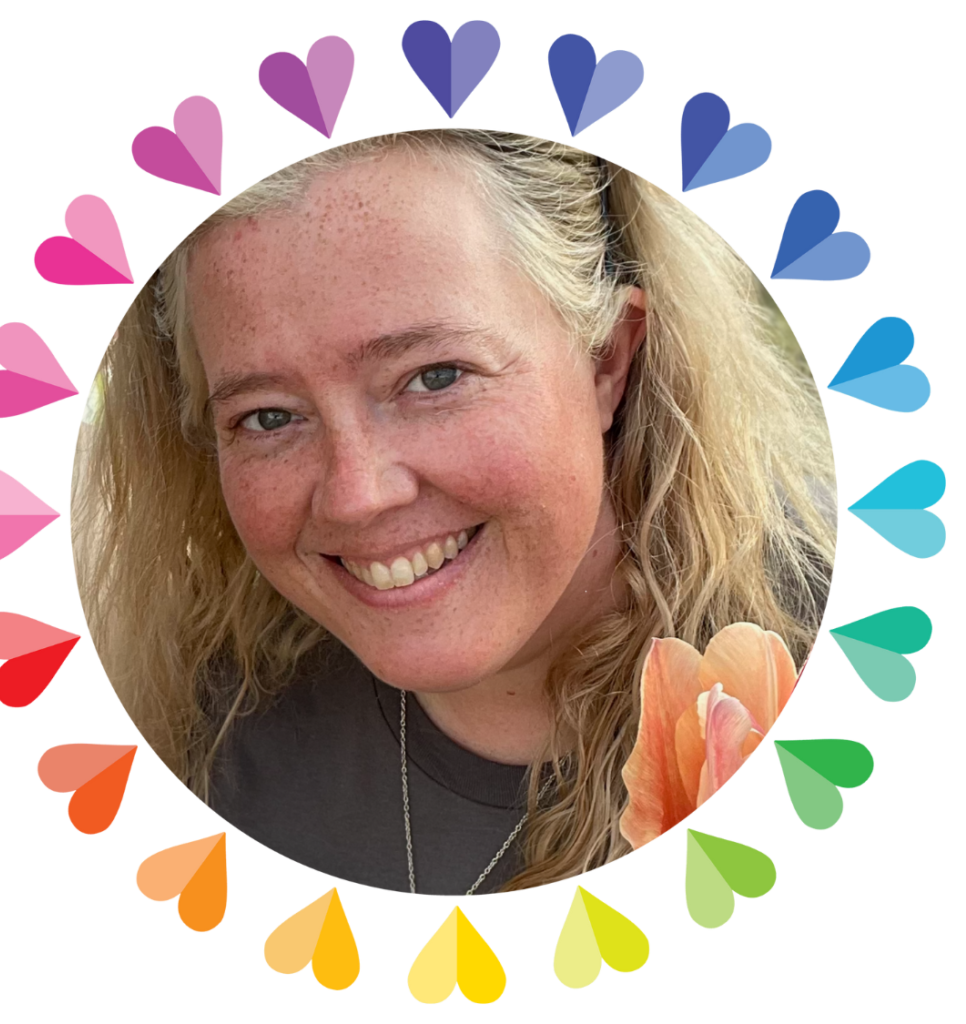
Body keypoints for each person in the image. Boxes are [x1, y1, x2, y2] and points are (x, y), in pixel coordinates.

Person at [70, 128, 837, 896]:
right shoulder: (201, 730)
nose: (357, 495)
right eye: (269, 417)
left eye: (435, 376)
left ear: (608, 358)